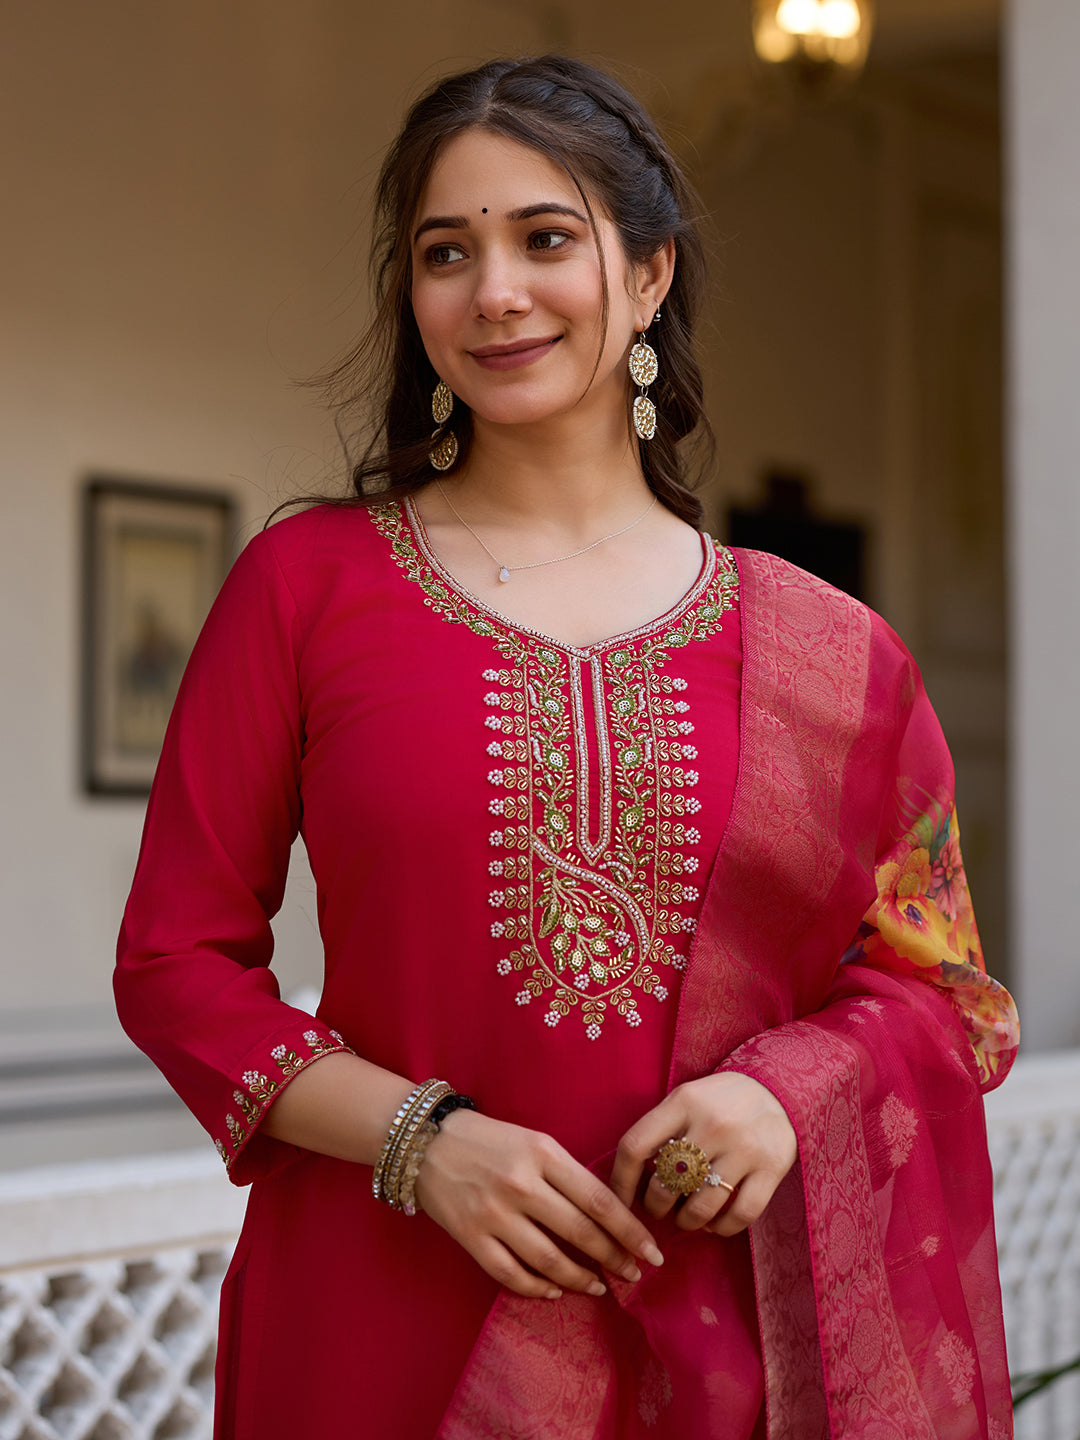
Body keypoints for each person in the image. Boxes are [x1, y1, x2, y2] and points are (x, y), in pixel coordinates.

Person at [114, 54, 1019, 1439]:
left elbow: (942, 994)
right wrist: (427, 1144)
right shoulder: (306, 587)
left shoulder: (837, 657)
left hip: (714, 1344)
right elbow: (178, 965)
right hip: (375, 1313)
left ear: (648, 274)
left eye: (546, 238)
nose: (495, 294)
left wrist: (786, 1099)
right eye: (445, 253)